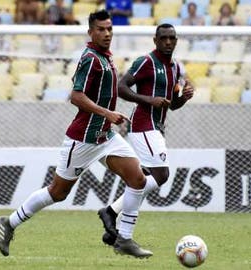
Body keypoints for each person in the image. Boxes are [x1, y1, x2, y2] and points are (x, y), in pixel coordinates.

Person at [0, 10, 153, 259]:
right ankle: (9, 222)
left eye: (110, 28)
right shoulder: (90, 58)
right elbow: (76, 96)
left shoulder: (106, 58)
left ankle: (124, 239)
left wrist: (109, 117)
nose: (107, 33)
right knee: (57, 192)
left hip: (105, 137)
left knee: (139, 179)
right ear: (90, 32)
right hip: (83, 139)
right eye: (101, 29)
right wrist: (108, 113)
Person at [97, 23, 194, 246]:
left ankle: (113, 217)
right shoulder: (146, 62)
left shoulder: (175, 68)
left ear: (176, 41)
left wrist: (184, 98)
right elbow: (121, 87)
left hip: (156, 126)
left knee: (145, 178)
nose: (168, 42)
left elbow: (171, 105)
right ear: (155, 40)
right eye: (163, 38)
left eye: (172, 38)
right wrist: (149, 100)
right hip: (142, 124)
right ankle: (115, 218)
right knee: (161, 175)